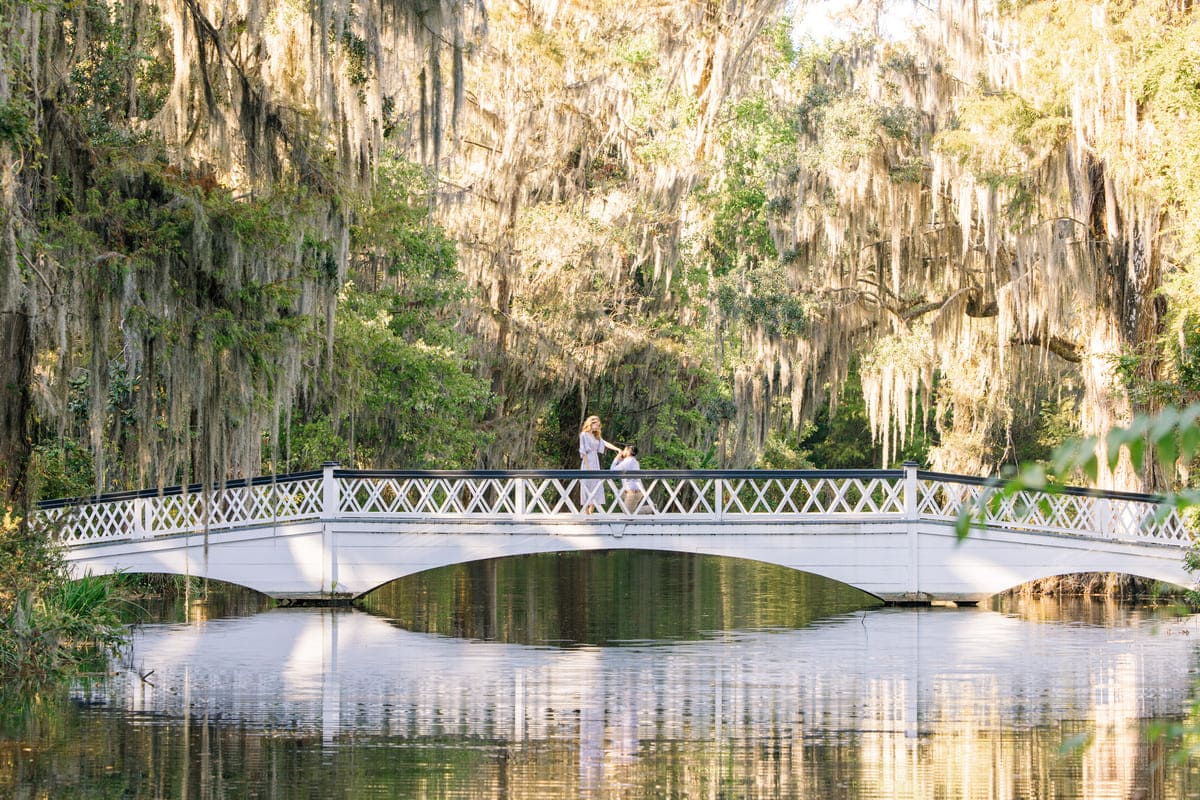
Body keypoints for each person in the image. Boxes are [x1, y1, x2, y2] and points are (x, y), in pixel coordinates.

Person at [579, 415, 620, 513]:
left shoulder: (596, 436)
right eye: (597, 425)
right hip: (587, 461)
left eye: (599, 425)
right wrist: (587, 466)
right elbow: (583, 451)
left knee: (596, 485)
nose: (598, 427)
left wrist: (617, 449)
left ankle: (591, 511)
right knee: (586, 485)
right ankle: (586, 512)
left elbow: (605, 443)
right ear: (591, 424)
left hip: (595, 461)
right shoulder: (584, 435)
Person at [611, 445, 650, 514]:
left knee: (628, 514)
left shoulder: (627, 462)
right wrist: (620, 460)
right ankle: (650, 508)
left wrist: (616, 459)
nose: (623, 451)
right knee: (618, 493)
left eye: (625, 449)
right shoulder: (632, 461)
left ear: (629, 451)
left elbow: (612, 471)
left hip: (633, 493)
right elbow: (622, 467)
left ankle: (650, 509)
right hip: (631, 491)